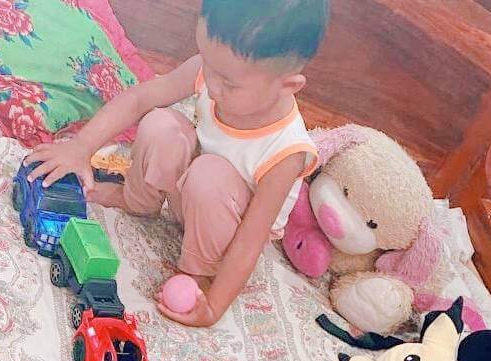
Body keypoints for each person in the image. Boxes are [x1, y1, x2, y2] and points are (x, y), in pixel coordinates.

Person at [28, 0, 330, 327]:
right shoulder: (215, 69)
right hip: (191, 192)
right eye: (208, 65)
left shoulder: (287, 151)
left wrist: (213, 307)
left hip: (228, 230)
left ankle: (198, 271)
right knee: (161, 124)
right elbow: (142, 98)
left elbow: (250, 240)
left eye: (227, 83)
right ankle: (136, 200)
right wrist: (81, 147)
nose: (211, 86)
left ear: (287, 85)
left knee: (208, 174)